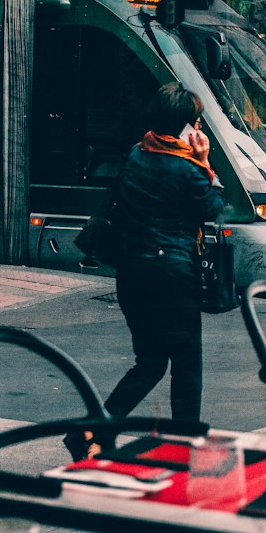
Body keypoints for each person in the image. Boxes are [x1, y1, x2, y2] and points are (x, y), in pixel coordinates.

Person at [66, 84, 224, 459]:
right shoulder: (187, 166)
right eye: (196, 120)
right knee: (187, 366)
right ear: (187, 126)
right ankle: (186, 444)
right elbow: (212, 206)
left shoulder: (137, 154)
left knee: (150, 361)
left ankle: (91, 431)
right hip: (172, 274)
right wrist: (205, 162)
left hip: (133, 273)